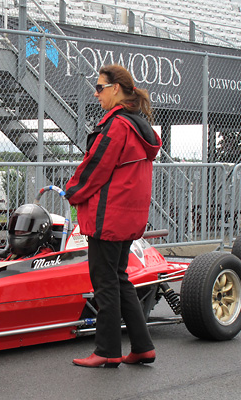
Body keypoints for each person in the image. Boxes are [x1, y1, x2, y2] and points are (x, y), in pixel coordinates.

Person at [65, 64, 162, 368]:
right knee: (120, 280)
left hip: (108, 217)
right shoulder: (138, 124)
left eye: (99, 88)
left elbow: (95, 167)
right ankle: (143, 346)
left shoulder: (117, 125)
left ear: (116, 89)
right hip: (127, 217)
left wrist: (71, 191)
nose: (96, 94)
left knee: (105, 282)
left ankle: (107, 350)